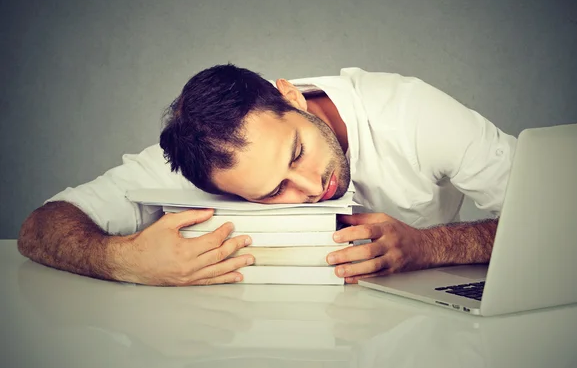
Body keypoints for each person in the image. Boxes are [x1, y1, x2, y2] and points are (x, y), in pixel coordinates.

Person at [17, 65, 516, 286]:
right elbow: (40, 227)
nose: (310, 188)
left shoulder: (413, 113)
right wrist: (122, 259)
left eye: (297, 152)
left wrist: (428, 247)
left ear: (291, 97)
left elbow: (565, 214)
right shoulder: (205, 161)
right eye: (274, 191)